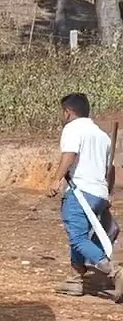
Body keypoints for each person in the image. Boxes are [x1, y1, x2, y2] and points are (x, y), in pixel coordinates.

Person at [48, 93, 121, 301]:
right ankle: (75, 280)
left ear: (68, 112)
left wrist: (56, 180)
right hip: (98, 193)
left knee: (78, 237)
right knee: (78, 236)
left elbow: (69, 154)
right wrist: (108, 193)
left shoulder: (72, 128)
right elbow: (111, 169)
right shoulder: (101, 135)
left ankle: (114, 271)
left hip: (81, 191)